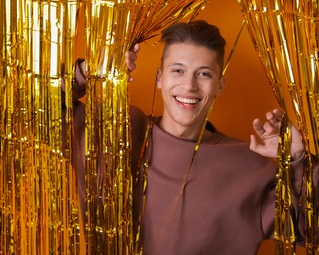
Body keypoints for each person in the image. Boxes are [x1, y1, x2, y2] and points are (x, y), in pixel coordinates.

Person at [72, 20, 318, 254]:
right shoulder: (115, 133)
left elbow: (311, 232)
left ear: (220, 85)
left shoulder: (251, 165)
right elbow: (38, 110)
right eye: (178, 70)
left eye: (203, 74)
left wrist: (298, 162)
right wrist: (87, 70)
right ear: (160, 78)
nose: (189, 85)